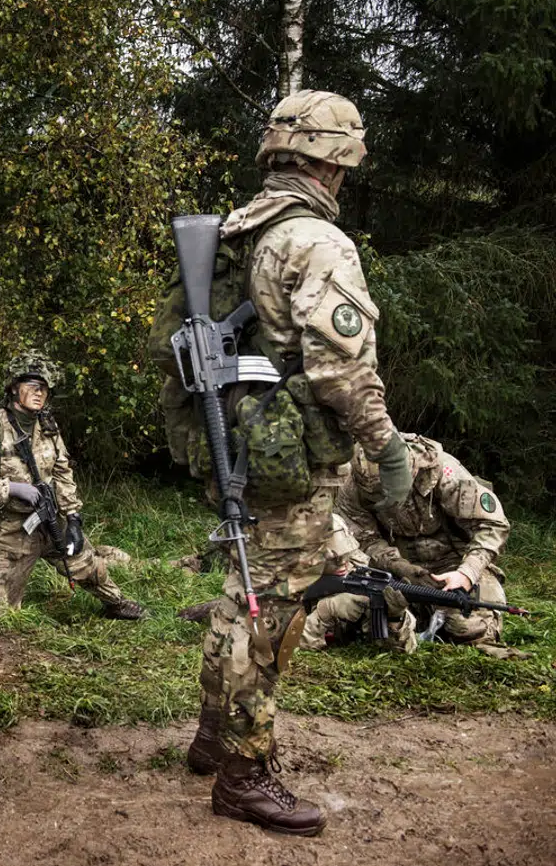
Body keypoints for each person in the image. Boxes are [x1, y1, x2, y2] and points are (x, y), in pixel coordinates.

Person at [163, 91, 412, 836]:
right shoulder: (316, 241)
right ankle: (244, 772)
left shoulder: (247, 228)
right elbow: (339, 368)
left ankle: (213, 737)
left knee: (243, 593)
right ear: (330, 162)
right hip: (286, 456)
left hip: (239, 439)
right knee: (269, 612)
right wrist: (388, 444)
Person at [0, 351, 146, 625]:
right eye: (33, 386)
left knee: (87, 564)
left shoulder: (47, 426)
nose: (40, 393)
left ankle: (115, 603)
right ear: (14, 388)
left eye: (45, 388)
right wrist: (10, 488)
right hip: (10, 530)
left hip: (49, 521)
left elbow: (62, 471)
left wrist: (72, 518)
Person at [339, 433, 519, 658]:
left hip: (455, 563)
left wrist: (466, 573)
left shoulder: (445, 474)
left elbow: (492, 526)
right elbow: (364, 538)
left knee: (468, 627)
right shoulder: (355, 484)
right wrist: (401, 567)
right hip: (396, 570)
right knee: (358, 616)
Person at [299, 515, 417, 654]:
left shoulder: (363, 577)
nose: (343, 563)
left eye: (347, 554)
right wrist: (325, 611)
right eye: (333, 559)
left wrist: (395, 617)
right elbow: (281, 648)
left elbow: (402, 652)